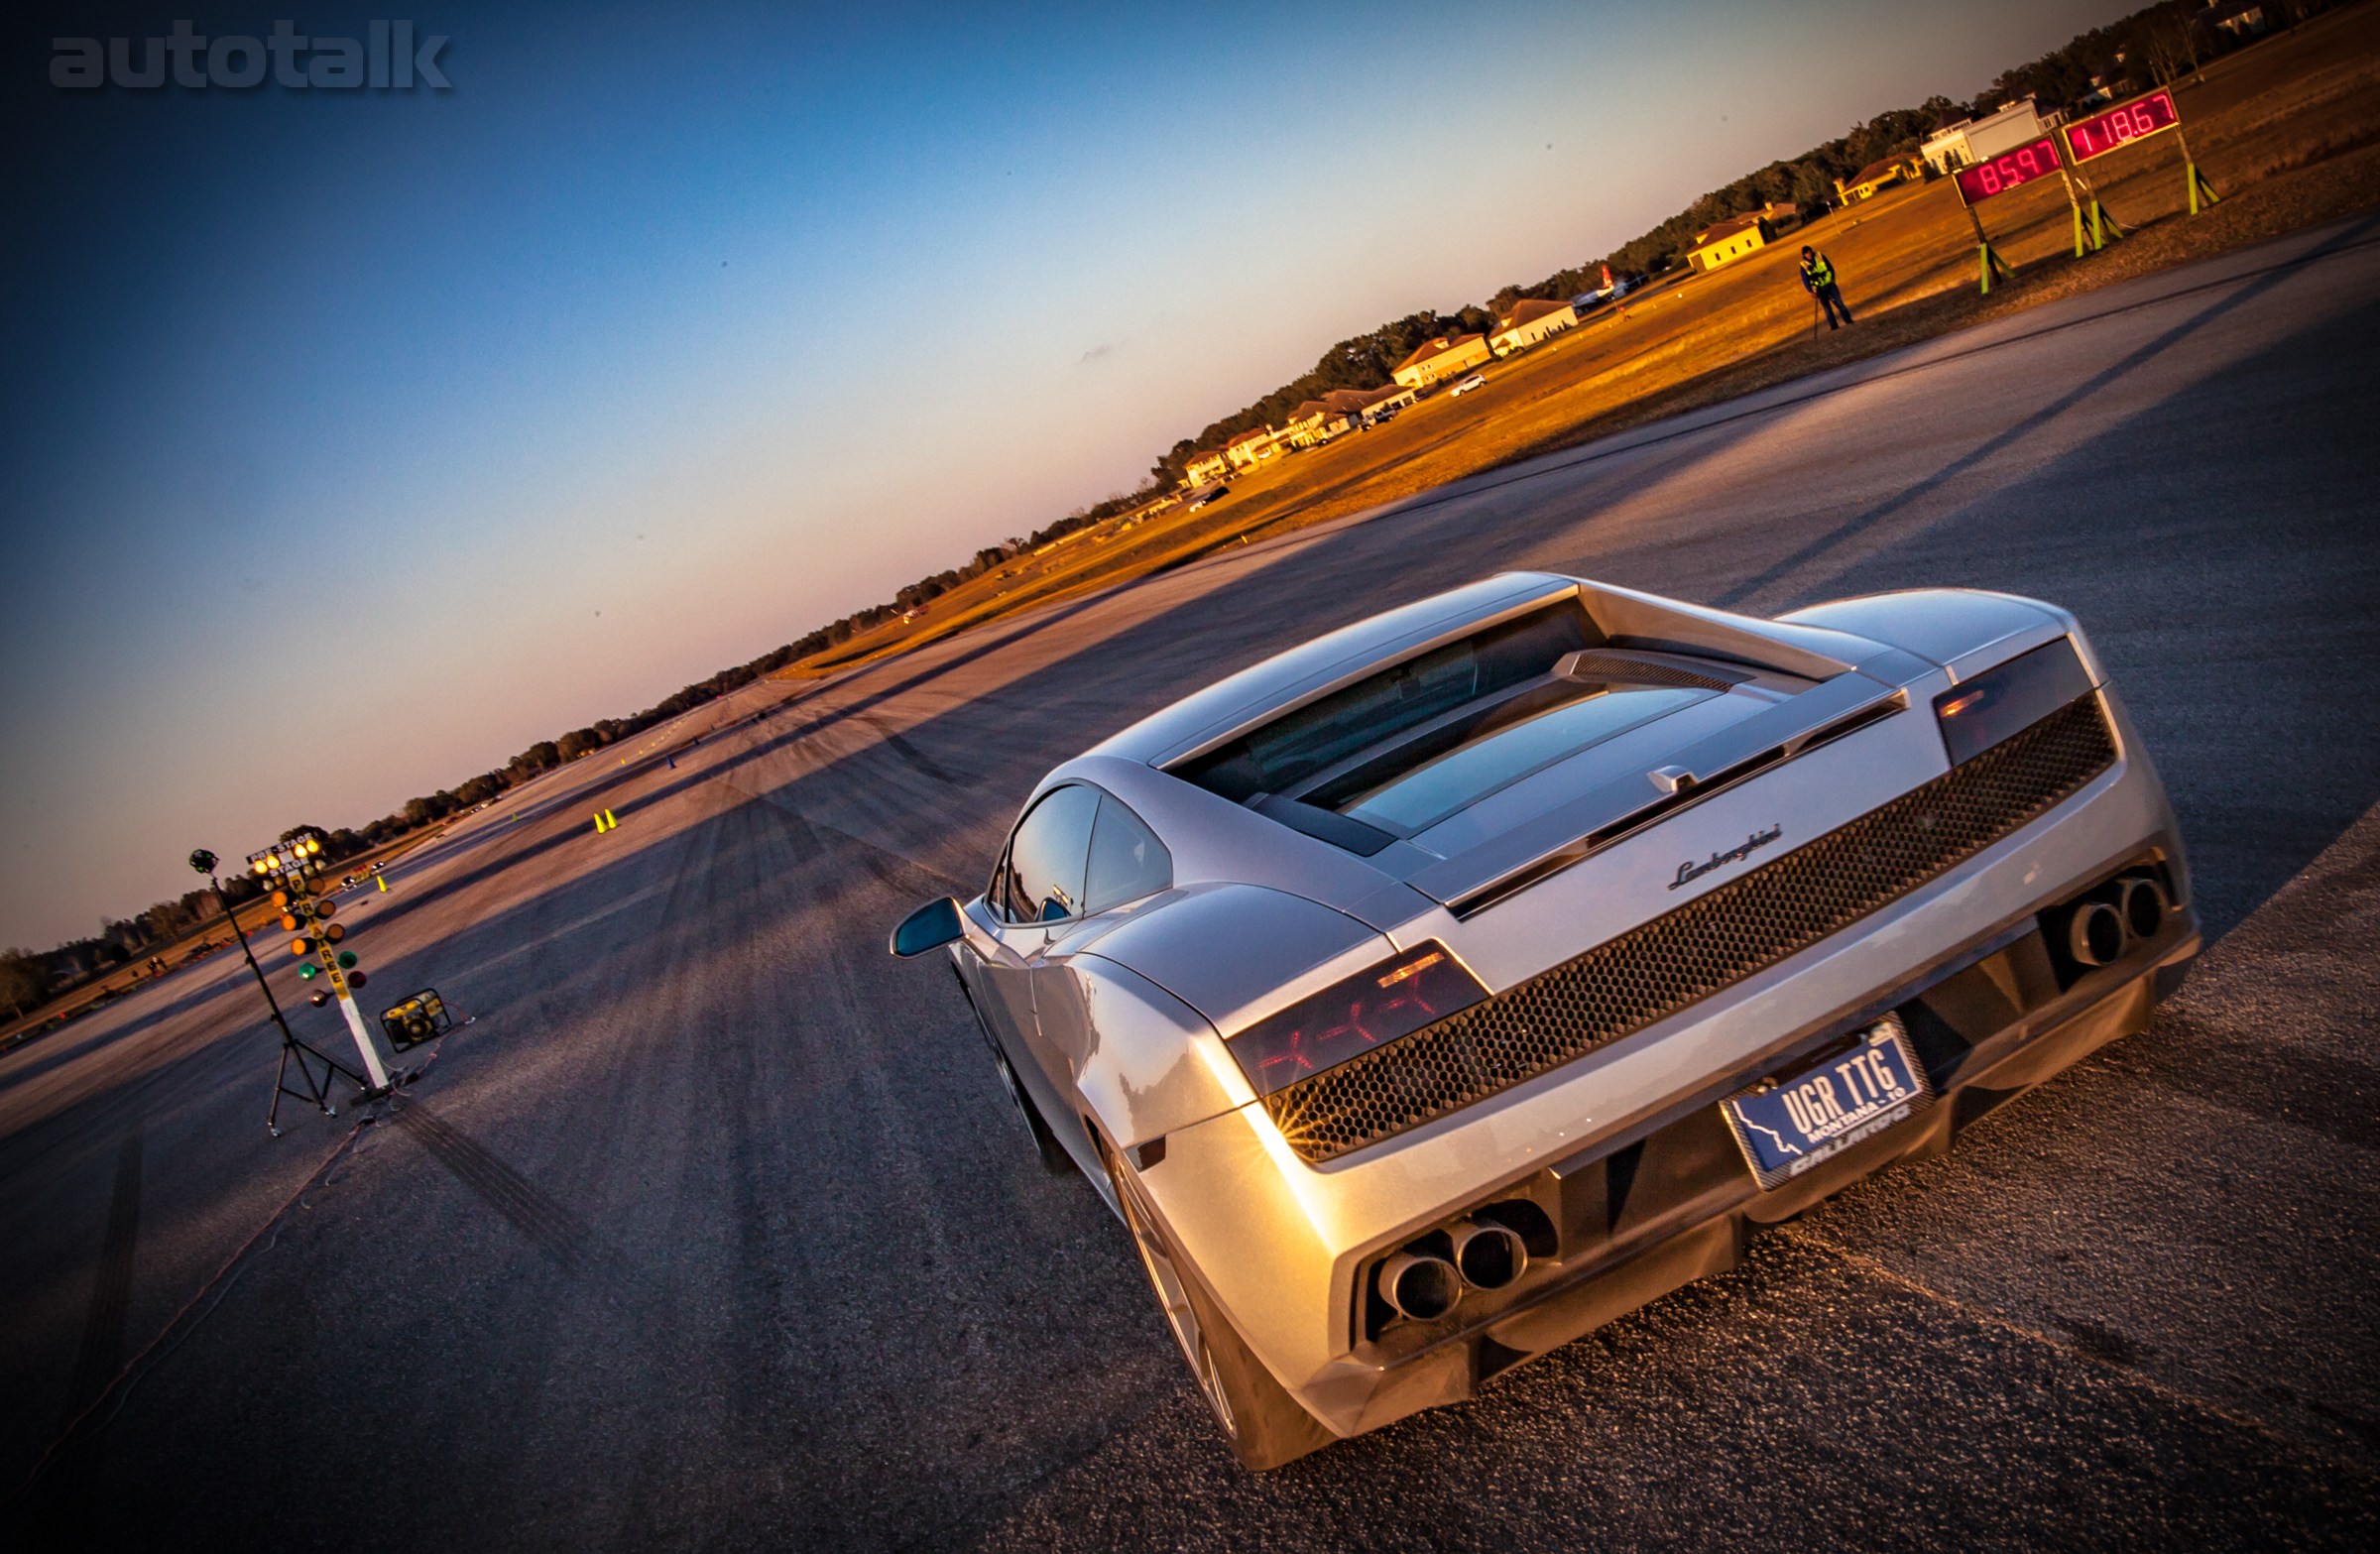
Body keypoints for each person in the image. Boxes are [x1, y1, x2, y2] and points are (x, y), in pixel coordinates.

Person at [1800, 246, 1853, 329]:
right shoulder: (1804, 265)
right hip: (1819, 288)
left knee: (1839, 302)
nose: (1809, 254)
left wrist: (1833, 277)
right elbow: (1805, 279)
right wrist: (1810, 291)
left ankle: (1848, 320)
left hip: (1830, 284)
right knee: (1827, 308)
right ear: (1804, 255)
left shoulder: (1819, 256)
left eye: (1810, 252)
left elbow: (1829, 266)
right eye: (1807, 253)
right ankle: (1833, 326)